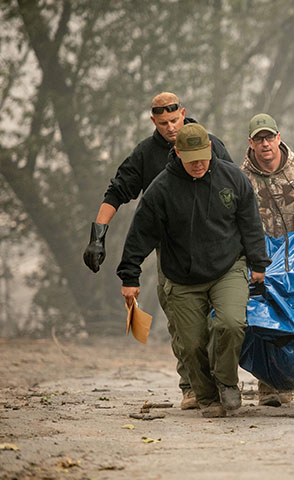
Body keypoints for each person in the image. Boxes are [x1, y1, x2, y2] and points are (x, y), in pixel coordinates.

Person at [82, 92, 233, 410]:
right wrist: (98, 236)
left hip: (214, 246)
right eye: (163, 123)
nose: (170, 127)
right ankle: (190, 385)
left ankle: (219, 381)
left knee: (220, 319)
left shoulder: (211, 145)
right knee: (182, 320)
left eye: (175, 120)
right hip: (172, 250)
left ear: (183, 113)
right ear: (153, 121)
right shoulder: (146, 154)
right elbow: (117, 191)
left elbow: (235, 190)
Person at [116, 123, 271, 418]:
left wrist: (258, 263)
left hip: (228, 266)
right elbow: (140, 234)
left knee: (230, 323)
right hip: (182, 275)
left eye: (203, 156)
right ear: (177, 153)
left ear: (210, 149)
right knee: (191, 342)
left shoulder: (233, 178)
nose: (198, 164)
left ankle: (226, 382)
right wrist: (129, 275)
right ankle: (206, 395)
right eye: (191, 159)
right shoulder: (161, 189)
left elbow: (250, 223)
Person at [240, 113, 294, 407]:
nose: (265, 144)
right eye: (259, 139)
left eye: (269, 137)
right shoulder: (241, 178)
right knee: (265, 323)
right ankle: (268, 384)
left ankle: (291, 379)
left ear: (279, 138)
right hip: (261, 261)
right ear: (250, 142)